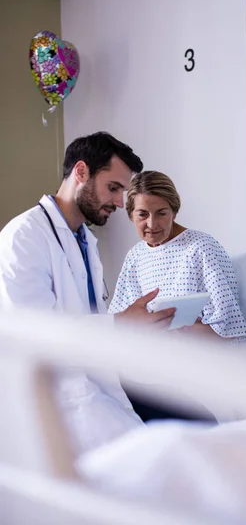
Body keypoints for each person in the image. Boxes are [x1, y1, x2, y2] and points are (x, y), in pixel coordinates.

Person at [0, 132, 177, 454]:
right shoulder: (22, 238)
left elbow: (88, 323)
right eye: (113, 187)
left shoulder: (83, 240)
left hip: (97, 379)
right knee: (167, 449)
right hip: (60, 396)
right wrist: (120, 323)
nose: (120, 202)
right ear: (81, 172)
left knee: (192, 419)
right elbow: (34, 336)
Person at [109, 171, 246, 342]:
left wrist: (180, 330)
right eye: (143, 214)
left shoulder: (202, 248)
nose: (151, 224)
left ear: (174, 212)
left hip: (193, 356)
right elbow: (120, 324)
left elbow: (230, 330)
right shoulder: (135, 256)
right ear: (131, 215)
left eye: (161, 213)